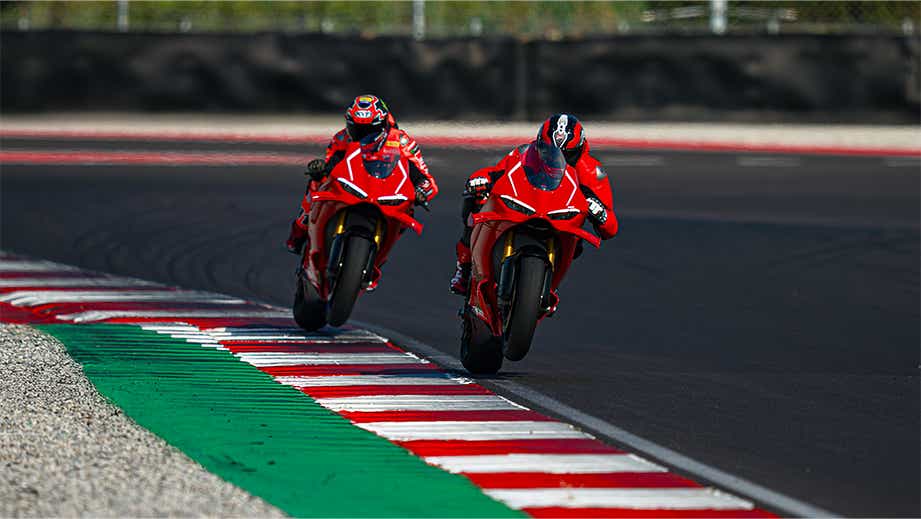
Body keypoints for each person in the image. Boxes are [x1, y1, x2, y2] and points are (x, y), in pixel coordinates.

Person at [449, 113, 618, 296]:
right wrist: (483, 179)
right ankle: (464, 267)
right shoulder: (525, 152)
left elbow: (610, 228)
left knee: (577, 243)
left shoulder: (592, 171)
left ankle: (548, 286)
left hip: (562, 221)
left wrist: (599, 212)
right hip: (524, 208)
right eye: (548, 150)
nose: (557, 158)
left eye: (567, 155)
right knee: (477, 199)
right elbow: (499, 172)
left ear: (579, 150)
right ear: (539, 144)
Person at [285, 94, 438, 254]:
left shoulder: (402, 141)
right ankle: (300, 229)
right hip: (351, 187)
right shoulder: (342, 137)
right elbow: (331, 165)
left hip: (387, 193)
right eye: (357, 129)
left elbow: (426, 179)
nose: (364, 136)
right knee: (316, 184)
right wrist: (320, 169)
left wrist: (421, 191)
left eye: (369, 130)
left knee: (408, 212)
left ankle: (377, 256)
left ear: (383, 124)